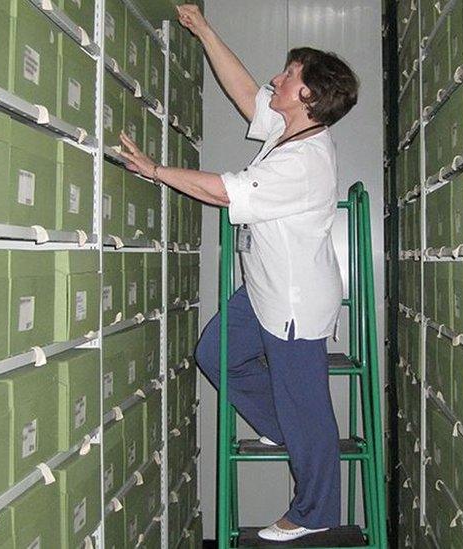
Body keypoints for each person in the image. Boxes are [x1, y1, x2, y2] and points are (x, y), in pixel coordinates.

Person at [115, 3, 359, 542]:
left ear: (309, 97)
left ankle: (315, 511)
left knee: (308, 407)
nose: (277, 77)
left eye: (288, 75)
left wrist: (155, 170)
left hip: (293, 303)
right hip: (265, 291)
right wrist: (203, 29)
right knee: (215, 354)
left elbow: (222, 191)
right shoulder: (288, 131)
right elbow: (246, 90)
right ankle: (287, 433)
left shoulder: (304, 160)